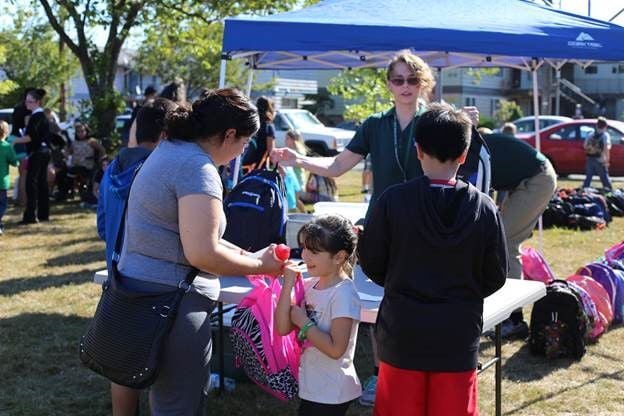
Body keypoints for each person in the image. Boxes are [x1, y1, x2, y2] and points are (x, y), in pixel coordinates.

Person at [271, 50, 479, 405]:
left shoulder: (438, 121)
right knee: (385, 302)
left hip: (432, 223)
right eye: (398, 79)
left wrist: (467, 126)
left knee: (422, 299)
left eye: (412, 79)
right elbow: (338, 167)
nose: (405, 86)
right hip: (387, 223)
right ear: (388, 85)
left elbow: (463, 163)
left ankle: (421, 372)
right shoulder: (374, 125)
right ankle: (385, 373)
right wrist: (299, 159)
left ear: (423, 82)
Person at [117, 88, 284, 414]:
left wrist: (253, 256)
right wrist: (259, 267)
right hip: (172, 302)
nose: (242, 152)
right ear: (229, 135)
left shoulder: (174, 151)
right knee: (180, 402)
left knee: (166, 397)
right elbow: (202, 254)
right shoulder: (197, 169)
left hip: (148, 296)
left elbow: (195, 237)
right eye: (244, 143)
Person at [358, 103, 508, 416]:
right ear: (465, 155)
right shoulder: (484, 207)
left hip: (403, 330)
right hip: (457, 332)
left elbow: (372, 260)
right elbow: (495, 274)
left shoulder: (393, 200)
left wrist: (400, 280)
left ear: (418, 150)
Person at [97, 97, 179, 416]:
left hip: (118, 277)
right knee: (166, 366)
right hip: (155, 282)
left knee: (124, 363)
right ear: (166, 135)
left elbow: (103, 225)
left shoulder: (112, 168)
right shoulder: (161, 171)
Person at [276, 215, 361, 416]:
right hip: (314, 387)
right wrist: (287, 285)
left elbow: (335, 349)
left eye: (313, 251)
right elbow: (282, 328)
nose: (304, 256)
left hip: (333, 391)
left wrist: (304, 323)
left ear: (339, 257)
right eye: (304, 248)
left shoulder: (343, 294)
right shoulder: (309, 285)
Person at [482, 129, 557, 339]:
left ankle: (513, 319)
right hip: (530, 179)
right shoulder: (480, 145)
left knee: (504, 242)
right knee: (502, 240)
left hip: (537, 179)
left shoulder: (476, 150)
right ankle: (509, 315)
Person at [11, 88, 52, 224]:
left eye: (30, 102)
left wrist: (15, 140)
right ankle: (43, 214)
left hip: (38, 152)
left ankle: (30, 215)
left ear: (38, 102)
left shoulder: (36, 117)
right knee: (41, 183)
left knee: (31, 183)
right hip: (44, 152)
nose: (27, 104)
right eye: (27, 101)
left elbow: (30, 137)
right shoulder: (40, 116)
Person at [242, 96, 276, 169]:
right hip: (260, 164)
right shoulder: (269, 126)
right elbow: (271, 150)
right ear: (269, 107)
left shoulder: (251, 123)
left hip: (247, 162)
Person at [582, 117, 612, 191]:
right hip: (600, 159)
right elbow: (606, 148)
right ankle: (610, 193)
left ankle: (584, 191)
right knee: (604, 178)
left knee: (588, 177)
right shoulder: (605, 135)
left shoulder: (590, 134)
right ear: (605, 126)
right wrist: (607, 160)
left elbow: (585, 146)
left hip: (590, 158)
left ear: (596, 125)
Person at [0, 121, 19, 235]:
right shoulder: (6, 147)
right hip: (2, 182)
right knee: (2, 204)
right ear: (6, 132)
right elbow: (14, 162)